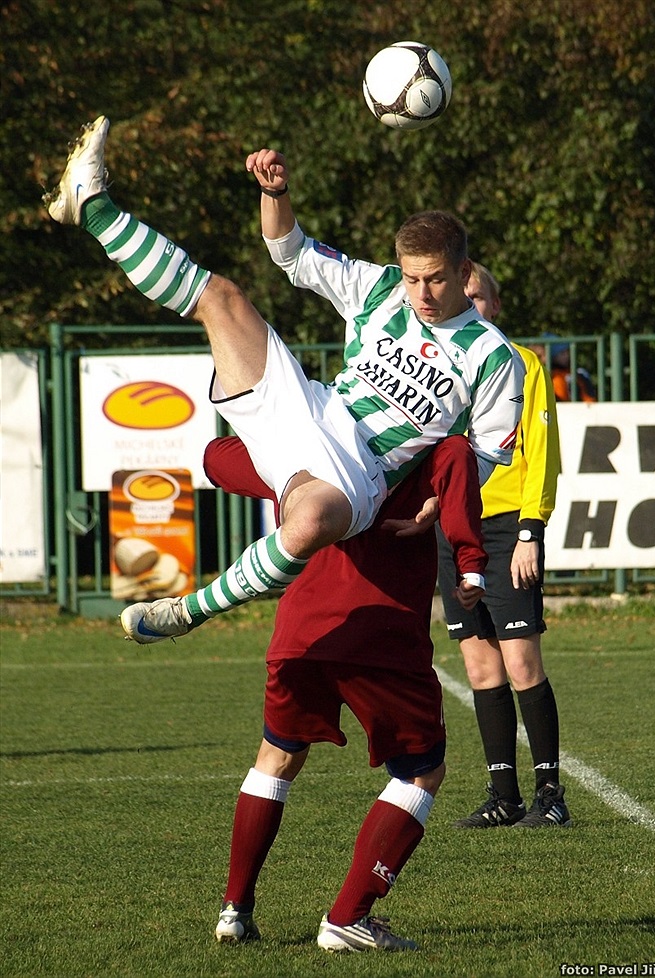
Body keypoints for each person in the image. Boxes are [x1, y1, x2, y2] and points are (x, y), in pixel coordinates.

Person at [43, 117, 525, 646]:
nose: (422, 293)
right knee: (221, 298)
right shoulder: (381, 289)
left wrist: (439, 500)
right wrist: (276, 193)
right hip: (307, 407)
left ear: (463, 272)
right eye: (413, 278)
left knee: (312, 517)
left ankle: (186, 612)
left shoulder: (495, 356)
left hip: (359, 472)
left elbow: (484, 452)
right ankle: (92, 204)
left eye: (434, 279)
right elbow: (291, 253)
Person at [203, 433, 487, 952]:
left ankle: (234, 910)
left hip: (301, 632)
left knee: (276, 759)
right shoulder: (439, 446)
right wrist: (469, 561)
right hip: (382, 637)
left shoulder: (313, 444)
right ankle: (348, 917)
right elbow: (464, 467)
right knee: (422, 771)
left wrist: (290, 467)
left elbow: (216, 458)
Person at [437, 263, 572, 828]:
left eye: (479, 296)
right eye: (460, 295)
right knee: (480, 667)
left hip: (506, 528)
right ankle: (503, 796)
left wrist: (529, 531)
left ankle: (550, 795)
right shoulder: (434, 363)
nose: (471, 304)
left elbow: (542, 452)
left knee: (521, 662)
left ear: (496, 303)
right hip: (454, 532)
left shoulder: (521, 363)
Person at [529, 335, 596, 403]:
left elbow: (589, 398)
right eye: (562, 353)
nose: (566, 356)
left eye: (567, 352)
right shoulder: (547, 375)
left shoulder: (577, 373)